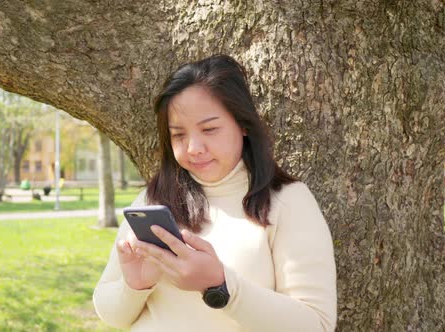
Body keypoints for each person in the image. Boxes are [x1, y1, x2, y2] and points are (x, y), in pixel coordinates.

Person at [93, 55, 337, 331]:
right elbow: (110, 313)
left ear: (243, 125)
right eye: (178, 135)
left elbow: (317, 324)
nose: (194, 147)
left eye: (210, 129)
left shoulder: (287, 201)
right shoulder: (155, 199)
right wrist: (135, 286)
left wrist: (220, 285)